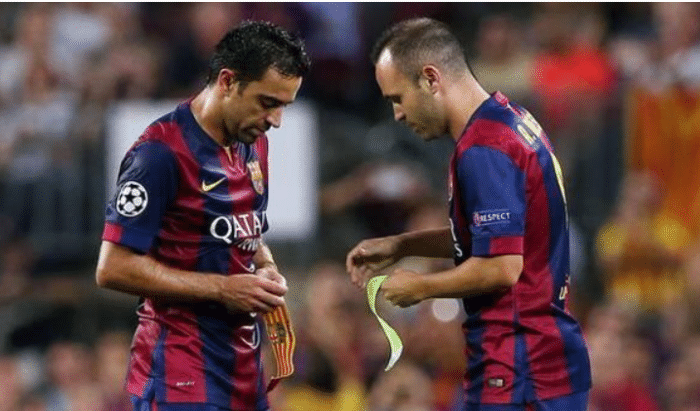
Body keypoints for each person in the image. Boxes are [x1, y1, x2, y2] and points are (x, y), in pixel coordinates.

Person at [346, 18, 591, 411]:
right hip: (537, 360)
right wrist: (401, 245)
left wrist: (420, 287)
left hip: (520, 368)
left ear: (430, 79)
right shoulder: (510, 119)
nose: (397, 114)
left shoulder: (484, 149)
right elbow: (492, 238)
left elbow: (502, 266)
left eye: (398, 98)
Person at [94, 21, 310, 411]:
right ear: (227, 81)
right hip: (179, 372)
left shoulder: (253, 142)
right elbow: (113, 267)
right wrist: (223, 289)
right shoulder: (159, 154)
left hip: (243, 370)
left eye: (284, 106)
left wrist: (265, 267)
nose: (276, 120)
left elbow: (248, 232)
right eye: (267, 102)